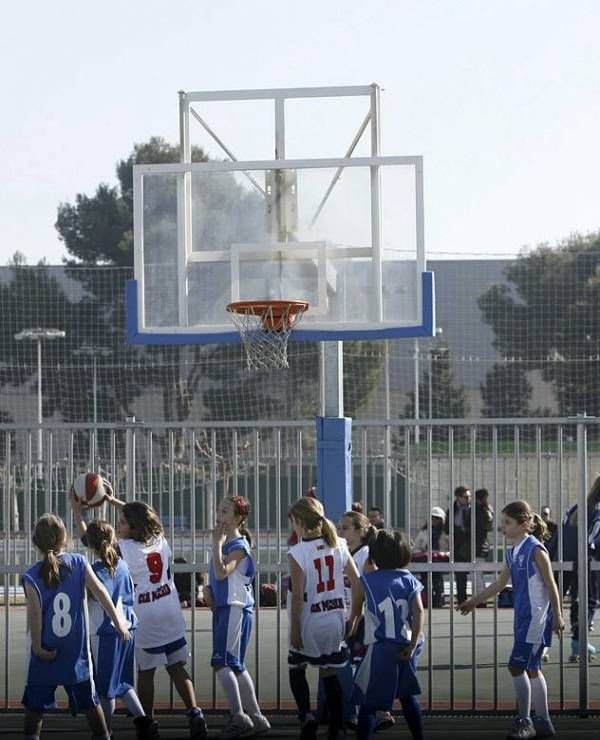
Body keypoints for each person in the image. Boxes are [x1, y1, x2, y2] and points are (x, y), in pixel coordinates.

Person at [458, 501, 564, 740]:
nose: (502, 527)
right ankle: (544, 721)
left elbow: (551, 584)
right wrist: (474, 600)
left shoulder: (536, 549)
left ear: (524, 523)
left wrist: (557, 615)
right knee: (533, 668)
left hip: (536, 617)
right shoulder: (512, 552)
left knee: (516, 666)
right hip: (523, 616)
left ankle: (525, 721)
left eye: (507, 523)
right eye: (502, 523)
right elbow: (499, 584)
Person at [105, 493, 207, 739]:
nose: (118, 526)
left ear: (134, 526)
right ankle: (195, 713)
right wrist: (117, 502)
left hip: (147, 614)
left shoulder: (124, 548)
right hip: (169, 609)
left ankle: (148, 722)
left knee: (147, 672)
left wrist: (84, 513)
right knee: (177, 667)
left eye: (122, 523)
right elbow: (149, 517)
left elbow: (100, 548)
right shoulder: (159, 539)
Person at [21, 514, 131, 740]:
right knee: (91, 705)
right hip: (76, 653)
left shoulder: (31, 576)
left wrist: (38, 647)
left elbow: (35, 615)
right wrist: (118, 622)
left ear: (35, 543)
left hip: (46, 651)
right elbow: (101, 593)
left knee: (35, 709)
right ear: (65, 539)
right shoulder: (79, 563)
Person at [71, 495, 158, 740]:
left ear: (92, 545)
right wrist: (78, 515)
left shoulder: (98, 571)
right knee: (123, 683)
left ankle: (105, 731)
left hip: (107, 631)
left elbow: (99, 596)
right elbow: (91, 539)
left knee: (106, 689)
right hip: (129, 628)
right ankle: (145, 723)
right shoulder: (121, 564)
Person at [287, 496, 360, 740]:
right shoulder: (339, 544)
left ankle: (306, 716)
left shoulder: (297, 552)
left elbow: (298, 596)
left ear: (298, 521)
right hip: (336, 618)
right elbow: (357, 583)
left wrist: (295, 629)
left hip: (310, 621)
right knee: (329, 671)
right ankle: (336, 726)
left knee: (296, 667)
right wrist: (355, 616)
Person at [348, 529, 425, 740]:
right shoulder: (409, 579)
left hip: (381, 647)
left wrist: (348, 634)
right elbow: (418, 612)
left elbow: (355, 614)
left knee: (368, 703)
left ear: (374, 554)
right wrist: (413, 643)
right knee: (407, 697)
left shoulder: (366, 581)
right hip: (407, 644)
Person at [204, 496, 270, 738]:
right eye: (219, 509)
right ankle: (256, 717)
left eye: (225, 511)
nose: (219, 513)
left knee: (221, 663)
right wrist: (207, 590)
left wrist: (216, 544)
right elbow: (215, 577)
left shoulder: (238, 547)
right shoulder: (227, 544)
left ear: (239, 518)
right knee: (236, 665)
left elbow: (222, 573)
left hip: (235, 608)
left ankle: (239, 716)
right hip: (227, 607)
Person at [334, 511, 393, 732]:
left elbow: (372, 589)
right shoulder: (343, 552)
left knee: (363, 667)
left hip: (362, 619)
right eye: (339, 527)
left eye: (345, 527)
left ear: (360, 531)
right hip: (347, 616)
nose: (340, 531)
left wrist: (358, 617)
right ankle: (367, 712)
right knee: (352, 666)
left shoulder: (366, 555)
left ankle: (375, 712)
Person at [560, 475, 600, 660]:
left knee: (575, 601)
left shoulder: (579, 507)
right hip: (589, 560)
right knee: (589, 601)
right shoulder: (597, 509)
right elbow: (593, 538)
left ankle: (576, 644)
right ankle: (579, 643)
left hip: (567, 558)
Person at [412, 506, 449, 608]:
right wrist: (423, 553)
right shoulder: (423, 532)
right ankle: (427, 599)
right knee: (425, 579)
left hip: (441, 560)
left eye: (437, 518)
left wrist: (443, 554)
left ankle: (438, 599)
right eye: (432, 518)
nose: (434, 520)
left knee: (437, 579)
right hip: (425, 559)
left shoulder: (446, 532)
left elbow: (451, 548)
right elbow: (416, 547)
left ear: (442, 519)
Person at [444, 486, 472, 604]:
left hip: (471, 543)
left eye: (469, 497)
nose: (468, 499)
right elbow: (447, 527)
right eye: (466, 497)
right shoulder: (452, 510)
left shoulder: (473, 509)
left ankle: (478, 599)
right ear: (458, 497)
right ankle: (462, 598)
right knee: (460, 573)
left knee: (475, 571)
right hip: (458, 544)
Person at [474, 488, 494, 597]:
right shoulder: (488, 510)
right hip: (482, 544)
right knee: (478, 573)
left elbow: (476, 528)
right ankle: (481, 596)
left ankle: (481, 597)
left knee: (476, 573)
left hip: (477, 545)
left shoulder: (479, 511)